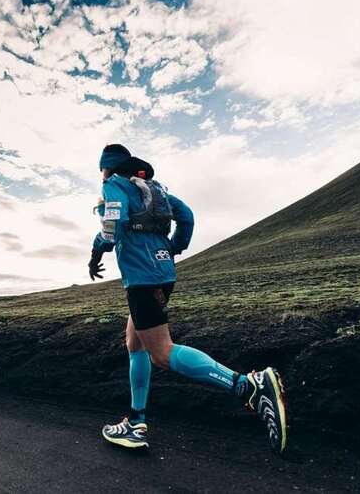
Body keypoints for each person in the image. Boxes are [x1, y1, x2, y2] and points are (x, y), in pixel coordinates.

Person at [89, 143, 289, 454]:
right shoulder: (153, 189)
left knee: (161, 353)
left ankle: (248, 385)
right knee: (135, 342)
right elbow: (187, 216)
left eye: (101, 168)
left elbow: (112, 228)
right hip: (163, 273)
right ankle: (136, 421)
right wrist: (172, 248)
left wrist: (96, 249)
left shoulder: (113, 185)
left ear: (107, 166)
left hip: (142, 279)